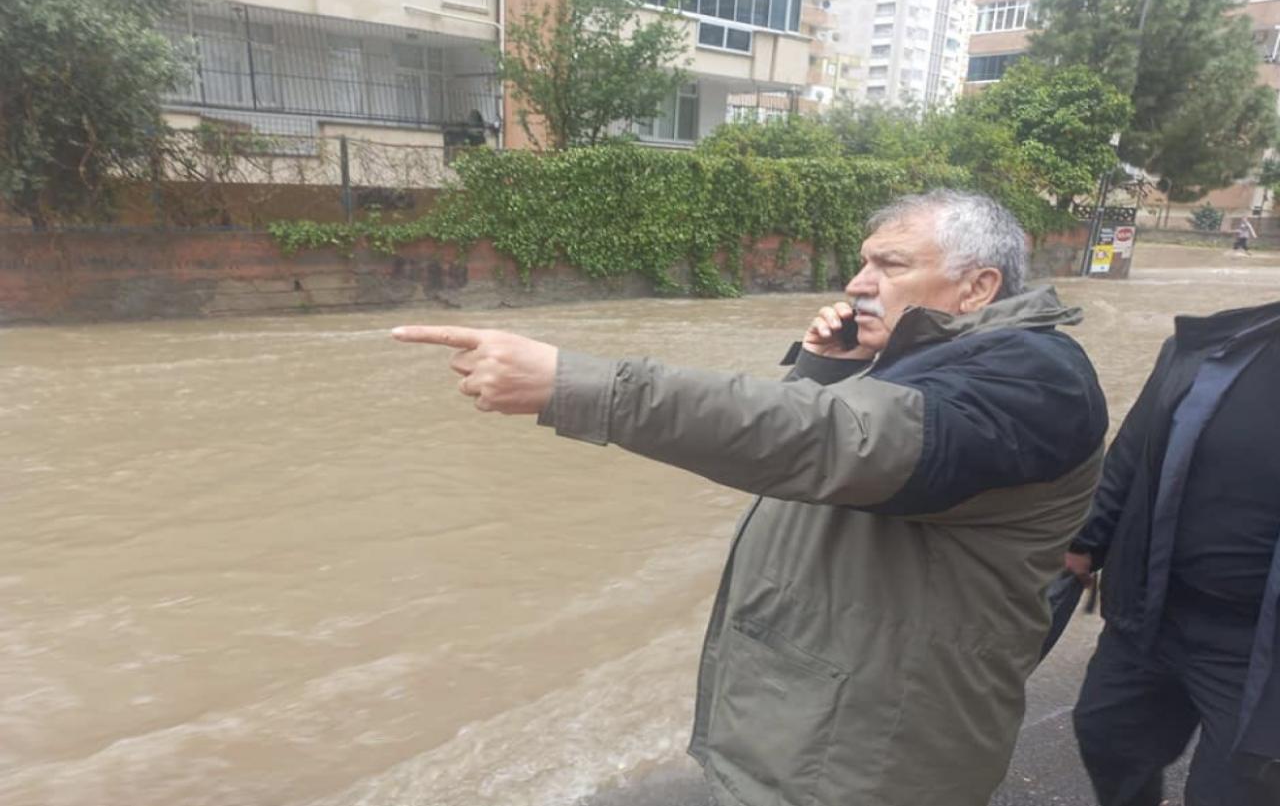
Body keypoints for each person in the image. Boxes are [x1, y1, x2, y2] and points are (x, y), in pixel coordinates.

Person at [393, 189, 1109, 806]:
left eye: (890, 265)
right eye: (863, 261)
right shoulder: (926, 365)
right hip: (811, 731)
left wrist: (581, 385)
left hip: (875, 760)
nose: (860, 282)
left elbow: (838, 447)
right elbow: (802, 472)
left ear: (978, 288)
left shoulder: (1033, 377)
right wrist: (824, 369)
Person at [1066, 301, 1280, 806]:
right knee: (1107, 734)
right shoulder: (1220, 346)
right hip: (1158, 611)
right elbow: (1136, 447)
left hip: (1259, 651)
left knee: (1237, 791)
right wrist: (1087, 539)